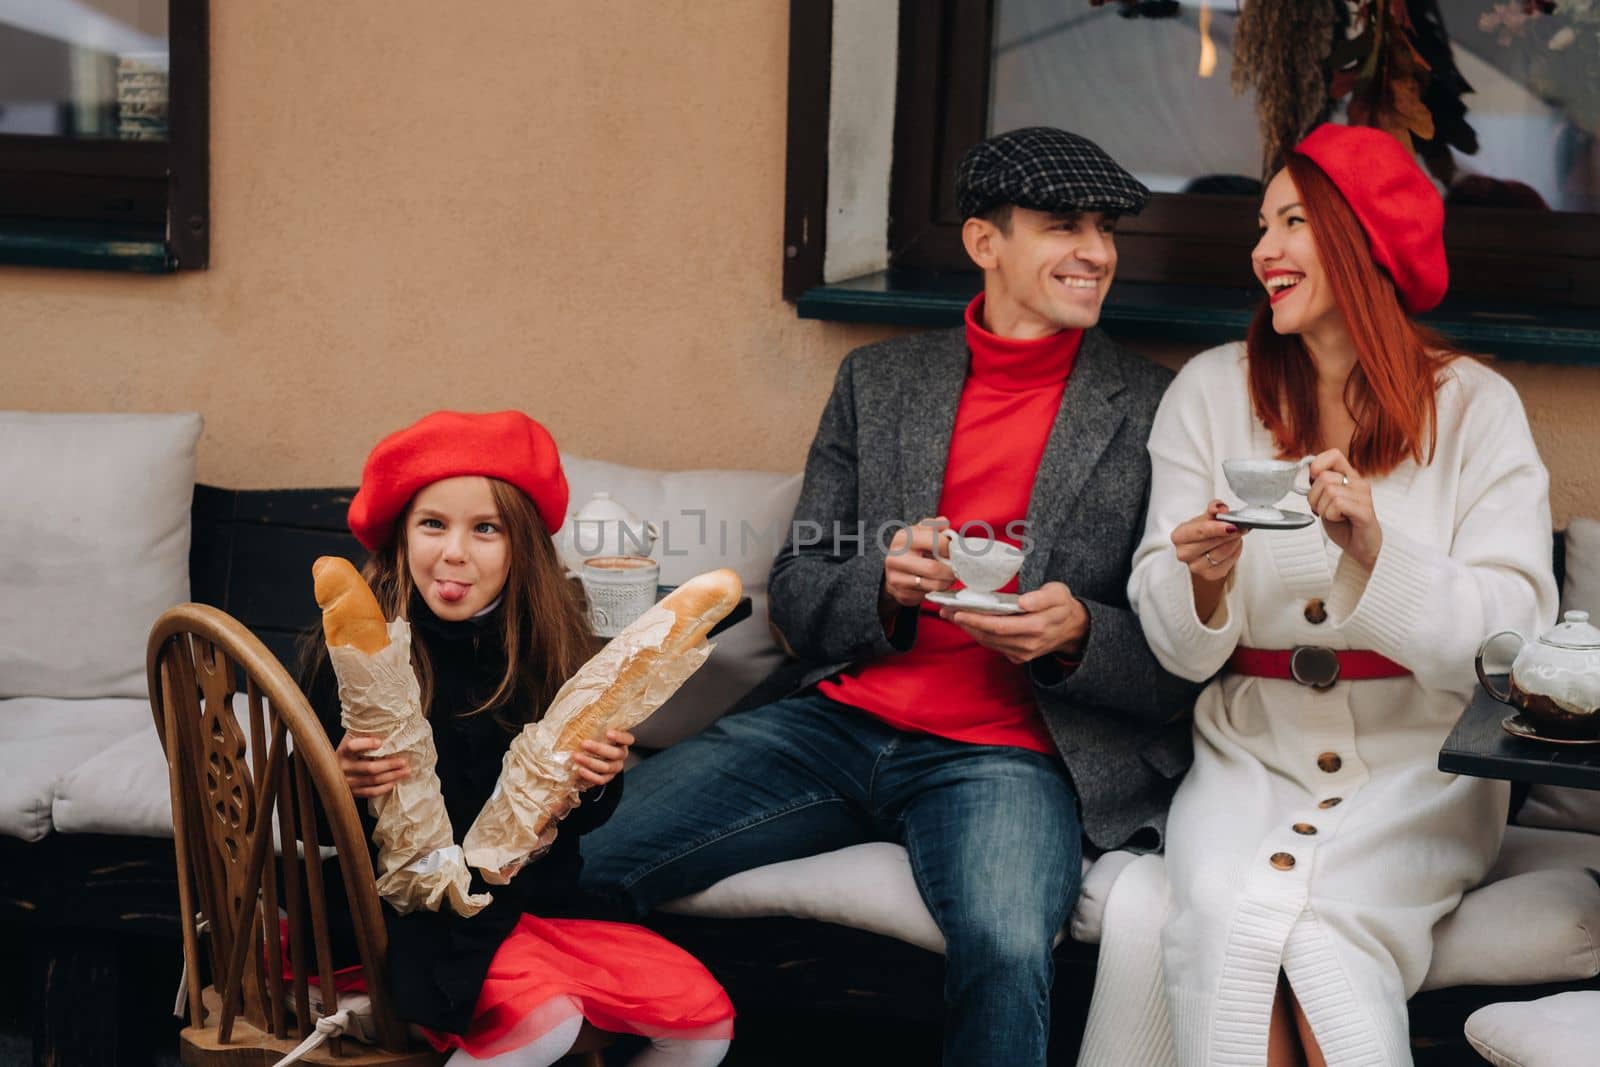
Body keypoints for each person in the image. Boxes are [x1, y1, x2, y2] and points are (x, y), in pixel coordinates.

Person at [579, 127, 1201, 1066]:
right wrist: (883, 581)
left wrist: (1077, 636)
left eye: (1105, 229)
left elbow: (1180, 654)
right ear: (985, 243)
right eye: (1063, 226)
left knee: (1002, 945)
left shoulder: (1155, 408)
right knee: (580, 861)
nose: (1098, 252)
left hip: (1011, 754)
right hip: (834, 721)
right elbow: (797, 591)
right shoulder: (878, 382)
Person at [1080, 123, 1558, 1066]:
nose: (1264, 250)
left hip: (1422, 770)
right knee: (1222, 922)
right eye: (1262, 224)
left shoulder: (1474, 409)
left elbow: (1516, 641)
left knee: (1315, 935)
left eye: (1294, 221)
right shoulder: (1210, 392)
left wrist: (1377, 552)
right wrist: (1201, 580)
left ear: (1365, 240)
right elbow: (1174, 639)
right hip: (1246, 759)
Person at [301, 410, 735, 1067]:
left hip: (522, 910)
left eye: (485, 528)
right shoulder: (354, 652)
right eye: (433, 524)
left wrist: (596, 777)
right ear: (400, 534)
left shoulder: (547, 648)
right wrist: (335, 776)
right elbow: (294, 818)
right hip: (386, 924)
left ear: (521, 544)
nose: (454, 552)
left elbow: (578, 817)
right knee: (543, 1021)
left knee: (703, 1024)